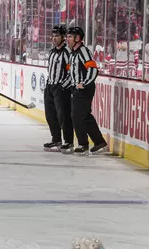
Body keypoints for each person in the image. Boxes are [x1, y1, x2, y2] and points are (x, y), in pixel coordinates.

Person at [66, 27, 107, 155]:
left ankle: (83, 144)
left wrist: (84, 83)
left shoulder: (83, 51)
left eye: (70, 37)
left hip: (84, 90)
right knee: (84, 116)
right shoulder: (73, 53)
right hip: (77, 89)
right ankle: (99, 142)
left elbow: (93, 69)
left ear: (77, 38)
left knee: (78, 117)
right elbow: (72, 72)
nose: (67, 39)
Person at [44, 25, 74, 154]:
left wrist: (63, 86)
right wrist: (49, 85)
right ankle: (56, 139)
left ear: (63, 37)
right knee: (50, 115)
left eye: (57, 36)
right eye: (53, 36)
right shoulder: (52, 52)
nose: (54, 38)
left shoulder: (67, 52)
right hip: (50, 86)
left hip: (60, 88)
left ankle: (68, 141)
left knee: (64, 116)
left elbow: (71, 72)